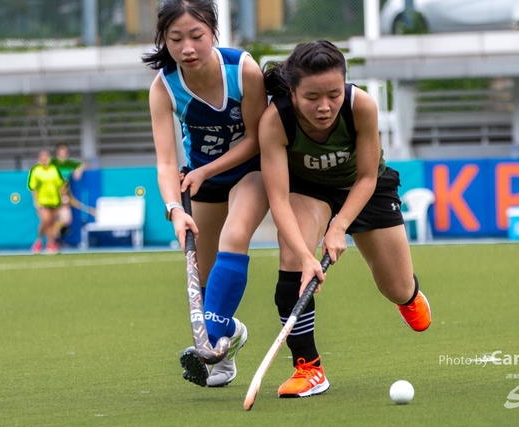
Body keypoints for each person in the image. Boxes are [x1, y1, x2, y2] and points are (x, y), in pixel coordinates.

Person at [259, 40, 432, 398]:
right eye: (311, 97)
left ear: (345, 86)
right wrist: (307, 256)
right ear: (292, 91)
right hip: (309, 189)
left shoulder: (360, 105)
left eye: (333, 95)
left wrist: (338, 228)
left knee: (396, 287)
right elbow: (278, 198)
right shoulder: (275, 120)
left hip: (365, 186)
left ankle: (409, 295)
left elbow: (367, 177)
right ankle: (308, 368)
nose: (324, 107)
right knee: (293, 259)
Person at [142, 0, 269, 388]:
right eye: (175, 39)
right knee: (206, 282)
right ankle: (227, 348)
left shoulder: (242, 70)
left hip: (252, 170)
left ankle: (209, 344)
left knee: (235, 237)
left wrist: (206, 170)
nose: (187, 48)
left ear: (213, 32)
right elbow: (166, 162)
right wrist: (174, 209)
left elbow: (256, 138)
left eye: (196, 36)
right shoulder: (164, 87)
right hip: (202, 182)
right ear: (164, 40)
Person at [27, 149, 66, 254]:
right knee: (46, 220)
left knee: (51, 223)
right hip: (43, 200)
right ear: (39, 158)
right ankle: (39, 240)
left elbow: (60, 185)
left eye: (46, 156)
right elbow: (33, 188)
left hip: (54, 200)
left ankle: (50, 244)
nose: (45, 159)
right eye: (42, 157)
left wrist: (63, 198)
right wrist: (36, 202)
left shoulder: (54, 169)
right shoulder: (36, 170)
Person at [51, 142, 86, 242]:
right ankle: (52, 241)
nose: (62, 153)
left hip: (64, 194)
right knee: (51, 217)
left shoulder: (69, 163)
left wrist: (79, 170)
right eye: (60, 151)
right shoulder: (51, 163)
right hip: (51, 193)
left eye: (64, 151)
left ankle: (59, 239)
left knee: (66, 219)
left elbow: (83, 164)